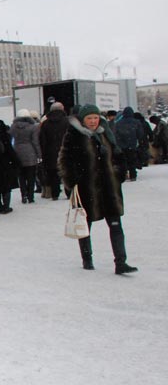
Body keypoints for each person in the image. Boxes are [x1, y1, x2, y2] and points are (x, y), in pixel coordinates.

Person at [58, 104, 138, 275]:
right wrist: (72, 183)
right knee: (85, 226)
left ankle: (121, 262)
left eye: (95, 117)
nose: (93, 121)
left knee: (116, 225)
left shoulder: (105, 133)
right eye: (89, 118)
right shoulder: (73, 136)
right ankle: (87, 259)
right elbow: (65, 161)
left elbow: (118, 155)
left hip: (109, 188)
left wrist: (118, 174)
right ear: (83, 119)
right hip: (87, 189)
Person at [9, 108, 41, 204]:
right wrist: (39, 154)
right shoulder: (33, 127)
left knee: (21, 176)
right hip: (30, 152)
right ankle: (30, 196)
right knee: (31, 176)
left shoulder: (13, 127)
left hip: (17, 151)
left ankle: (23, 195)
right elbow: (35, 141)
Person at [39, 101, 69, 200]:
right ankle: (69, 192)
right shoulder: (67, 121)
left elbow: (42, 140)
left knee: (53, 173)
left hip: (50, 152)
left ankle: (55, 194)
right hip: (65, 151)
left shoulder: (45, 124)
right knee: (66, 172)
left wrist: (44, 152)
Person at [0, 119, 19, 214]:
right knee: (6, 186)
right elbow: (10, 150)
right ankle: (6, 206)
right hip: (5, 164)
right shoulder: (5, 136)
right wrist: (16, 162)